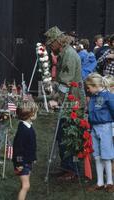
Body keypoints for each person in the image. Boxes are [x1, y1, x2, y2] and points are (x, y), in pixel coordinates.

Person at [44, 26, 85, 180]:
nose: (49, 46)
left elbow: (65, 82)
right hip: (69, 99)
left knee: (68, 136)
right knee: (62, 135)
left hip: (73, 101)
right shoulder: (64, 52)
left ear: (57, 41)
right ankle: (66, 166)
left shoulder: (68, 54)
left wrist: (55, 98)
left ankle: (72, 170)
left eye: (51, 43)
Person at [85, 73, 114, 192]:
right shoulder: (93, 96)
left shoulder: (108, 96)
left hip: (105, 127)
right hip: (94, 128)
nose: (88, 90)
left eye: (89, 87)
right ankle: (100, 182)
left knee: (106, 156)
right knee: (97, 156)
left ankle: (110, 182)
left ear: (95, 85)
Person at [12, 101, 38, 200]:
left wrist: (33, 158)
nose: (36, 114)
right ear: (30, 115)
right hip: (22, 162)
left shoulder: (28, 126)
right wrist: (19, 164)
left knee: (24, 184)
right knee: (26, 186)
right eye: (35, 112)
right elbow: (18, 149)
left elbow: (31, 146)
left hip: (28, 161)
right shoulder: (23, 130)